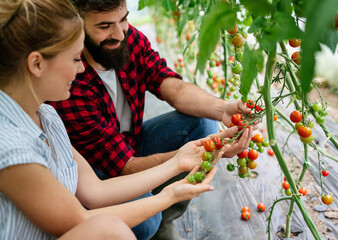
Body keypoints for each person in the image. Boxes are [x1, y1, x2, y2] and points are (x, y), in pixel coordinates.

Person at [0, 0, 237, 239]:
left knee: (201, 122)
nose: (81, 68)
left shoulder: (45, 115)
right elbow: (86, 219)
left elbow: (95, 191)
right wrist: (168, 194)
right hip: (108, 164)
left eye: (123, 20)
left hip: (124, 151)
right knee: (126, 227)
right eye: (74, 59)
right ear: (37, 64)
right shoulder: (16, 147)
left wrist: (180, 162)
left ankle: (161, 222)